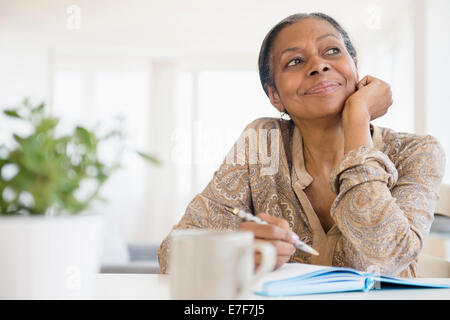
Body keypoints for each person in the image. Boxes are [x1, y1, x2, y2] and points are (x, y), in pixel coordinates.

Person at [157, 12, 446, 277]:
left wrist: (358, 118)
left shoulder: (416, 151)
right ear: (275, 96)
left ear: (355, 69)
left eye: (332, 51)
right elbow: (172, 254)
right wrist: (236, 252)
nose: (318, 65)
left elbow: (386, 258)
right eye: (295, 61)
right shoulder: (263, 142)